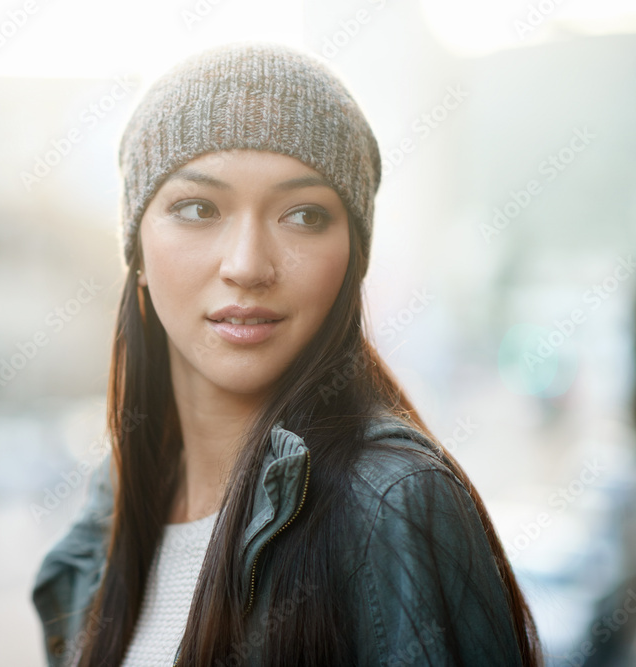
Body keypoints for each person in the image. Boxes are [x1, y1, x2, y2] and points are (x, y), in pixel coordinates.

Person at [32, 41, 544, 666]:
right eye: (197, 209)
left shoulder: (394, 503)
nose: (247, 266)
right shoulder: (113, 507)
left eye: (303, 215)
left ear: (352, 258)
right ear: (136, 251)